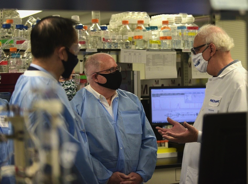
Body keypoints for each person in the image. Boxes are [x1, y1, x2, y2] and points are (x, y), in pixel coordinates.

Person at [9, 16, 100, 184]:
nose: (76, 55)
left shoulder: (27, 81)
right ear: (62, 53)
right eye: (75, 49)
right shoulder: (42, 92)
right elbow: (69, 158)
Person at [156, 24, 248, 184]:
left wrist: (196, 136)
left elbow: (239, 142)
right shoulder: (216, 80)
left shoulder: (238, 82)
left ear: (211, 49)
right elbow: (216, 128)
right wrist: (188, 132)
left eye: (195, 51)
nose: (194, 57)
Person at [70, 53, 157, 184]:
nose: (116, 73)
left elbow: (148, 140)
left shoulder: (132, 100)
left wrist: (141, 174)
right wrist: (106, 177)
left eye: (116, 69)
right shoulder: (77, 106)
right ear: (96, 77)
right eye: (111, 70)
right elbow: (78, 151)